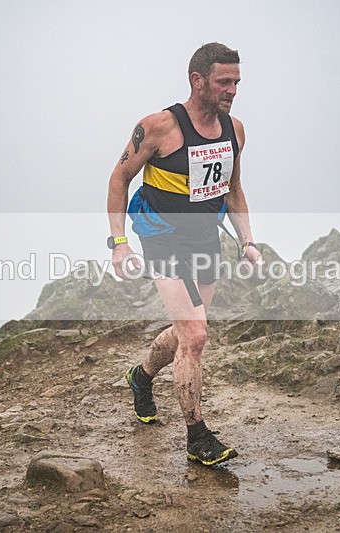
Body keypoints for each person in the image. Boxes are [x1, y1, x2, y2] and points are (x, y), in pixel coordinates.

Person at [106, 43, 262, 466]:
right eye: (223, 82)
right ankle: (197, 437)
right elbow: (119, 178)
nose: (232, 90)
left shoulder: (235, 131)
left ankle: (141, 377)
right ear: (197, 81)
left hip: (204, 237)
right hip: (161, 235)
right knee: (195, 336)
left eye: (236, 82)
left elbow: (233, 190)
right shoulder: (159, 127)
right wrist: (119, 245)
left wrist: (248, 241)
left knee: (185, 332)